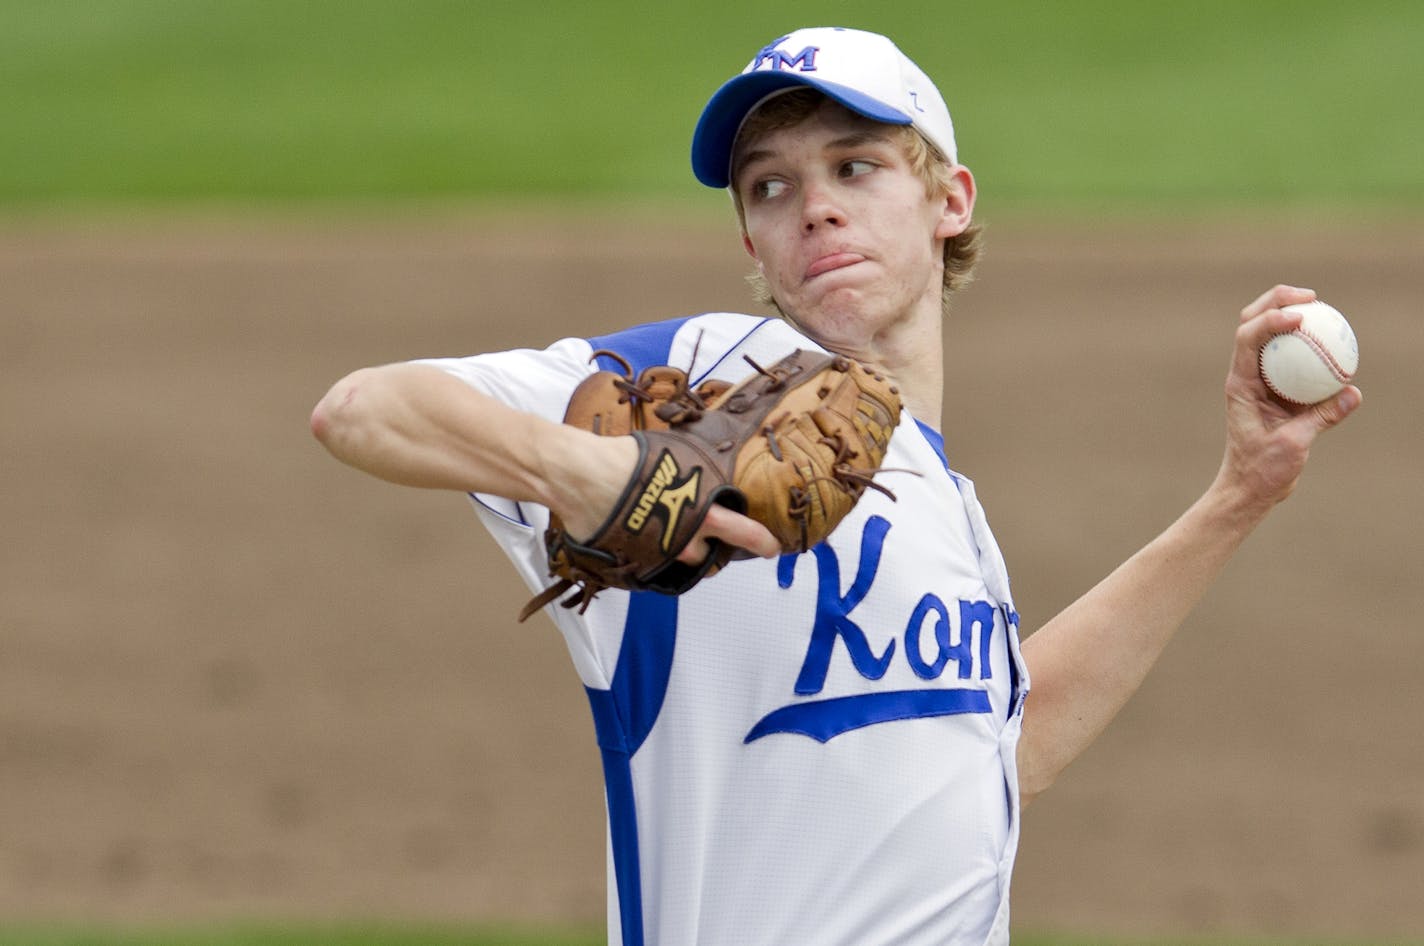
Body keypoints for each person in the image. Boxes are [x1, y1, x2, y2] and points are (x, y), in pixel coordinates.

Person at [310, 26, 1361, 946]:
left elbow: (997, 751)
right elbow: (362, 407)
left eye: (854, 169)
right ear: (749, 242)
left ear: (948, 199)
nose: (813, 210)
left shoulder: (950, 506)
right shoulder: (701, 372)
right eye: (771, 187)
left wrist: (1238, 495)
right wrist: (578, 470)